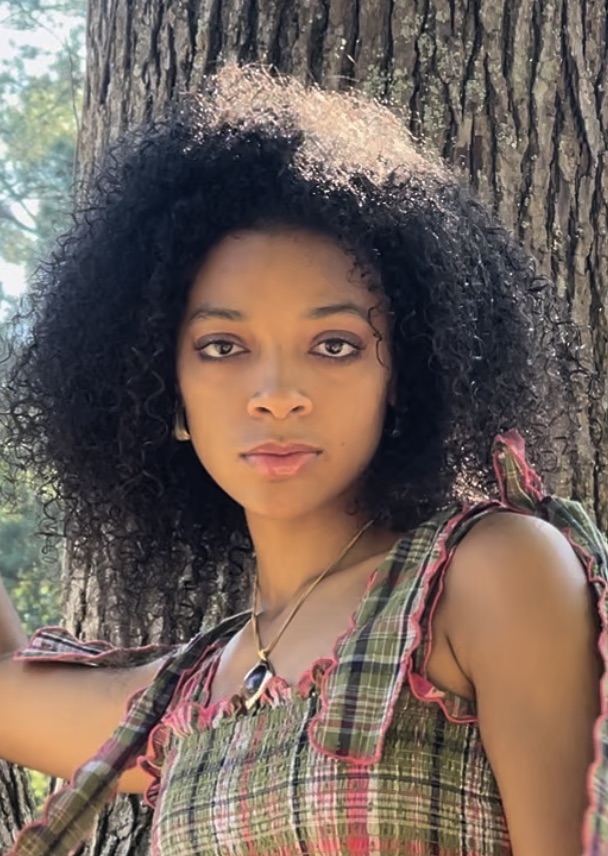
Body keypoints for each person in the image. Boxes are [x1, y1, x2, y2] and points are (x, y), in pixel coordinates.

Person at [0, 62, 606, 856]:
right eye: (223, 346)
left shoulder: (486, 575)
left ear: (404, 376)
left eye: (335, 345)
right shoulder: (196, 692)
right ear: (161, 392)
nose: (278, 394)